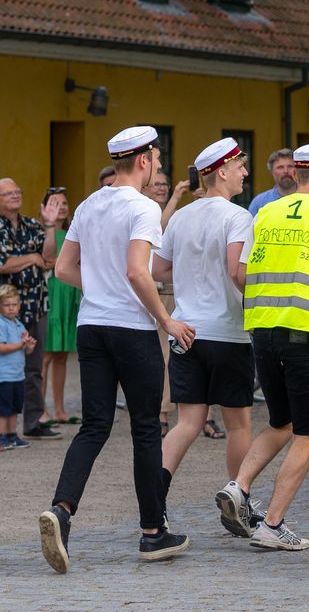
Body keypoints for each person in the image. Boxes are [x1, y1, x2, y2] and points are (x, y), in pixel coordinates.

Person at [38, 125, 194, 573]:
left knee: (94, 426)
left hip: (92, 327)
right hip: (131, 329)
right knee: (146, 428)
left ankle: (62, 511)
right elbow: (137, 272)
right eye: (158, 160)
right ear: (144, 160)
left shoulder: (90, 203)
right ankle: (152, 532)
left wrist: (102, 289)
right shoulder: (143, 207)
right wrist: (166, 320)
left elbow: (64, 269)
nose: (159, 167)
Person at [216, 143, 309, 551]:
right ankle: (272, 525)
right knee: (307, 433)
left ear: (295, 175)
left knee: (281, 422)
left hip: (262, 332)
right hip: (306, 334)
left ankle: (238, 487)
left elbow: (244, 272)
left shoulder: (266, 212)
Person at [152, 138, 255, 518]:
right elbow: (236, 271)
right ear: (221, 173)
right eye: (240, 167)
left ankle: (154, 499)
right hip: (227, 330)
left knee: (187, 422)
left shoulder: (181, 216)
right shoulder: (238, 216)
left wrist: (191, 280)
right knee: (239, 423)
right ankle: (239, 501)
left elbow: (158, 270)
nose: (245, 173)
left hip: (185, 329)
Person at [0, 177, 63, 441]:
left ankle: (33, 421)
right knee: (5, 367)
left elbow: (48, 257)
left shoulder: (30, 224)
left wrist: (49, 226)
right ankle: (6, 427)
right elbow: (3, 264)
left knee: (33, 367)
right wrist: (32, 258)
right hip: (6, 309)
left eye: (18, 191)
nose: (16, 195)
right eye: (9, 193)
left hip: (37, 305)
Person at [143, 169, 188, 436]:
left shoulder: (179, 215)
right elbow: (159, 230)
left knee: (180, 353)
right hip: (155, 290)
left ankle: (191, 413)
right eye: (157, 184)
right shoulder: (145, 210)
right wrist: (176, 197)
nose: (162, 188)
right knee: (162, 353)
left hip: (175, 288)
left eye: (165, 184)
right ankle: (160, 411)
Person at [42, 188, 82, 426]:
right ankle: (40, 409)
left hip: (69, 295)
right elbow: (46, 259)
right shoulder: (41, 231)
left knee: (61, 356)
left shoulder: (71, 233)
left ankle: (59, 409)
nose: (61, 207)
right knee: (45, 356)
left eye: (65, 203)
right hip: (50, 294)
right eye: (55, 202)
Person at [0, 284, 35, 450]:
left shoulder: (19, 324)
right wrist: (20, 344)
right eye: (7, 305)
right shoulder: (2, 324)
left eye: (14, 304)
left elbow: (25, 351)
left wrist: (29, 346)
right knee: (3, 409)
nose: (11, 308)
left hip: (17, 375)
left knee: (14, 408)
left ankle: (12, 435)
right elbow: (2, 347)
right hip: (4, 376)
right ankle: (1, 436)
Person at [247, 148, 297, 218]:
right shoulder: (259, 202)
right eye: (280, 167)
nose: (286, 171)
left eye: (290, 166)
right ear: (272, 171)